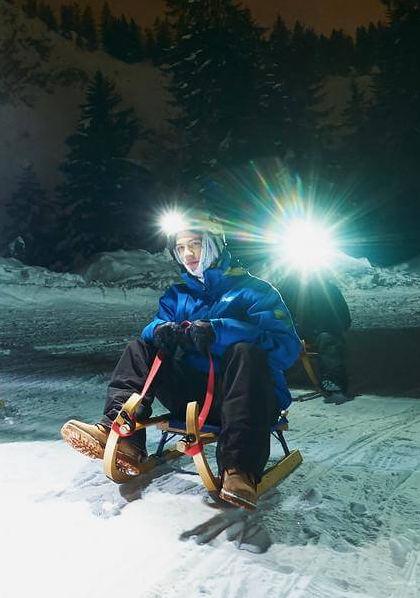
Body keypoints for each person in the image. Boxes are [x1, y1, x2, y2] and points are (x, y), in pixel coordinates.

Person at [60, 214, 302, 508]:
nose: (187, 254)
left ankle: (239, 469)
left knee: (245, 352)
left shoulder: (255, 292)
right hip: (194, 400)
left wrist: (220, 331)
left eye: (195, 244)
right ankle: (122, 435)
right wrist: (160, 330)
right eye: (181, 248)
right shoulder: (177, 296)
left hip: (249, 399)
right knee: (142, 347)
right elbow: (153, 327)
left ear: (213, 245)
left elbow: (286, 349)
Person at [273, 269, 352, 402]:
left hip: (323, 331)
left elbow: (344, 319)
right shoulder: (287, 289)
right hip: (295, 330)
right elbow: (276, 312)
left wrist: (328, 327)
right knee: (272, 340)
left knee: (327, 340)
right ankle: (269, 381)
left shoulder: (330, 291)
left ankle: (334, 383)